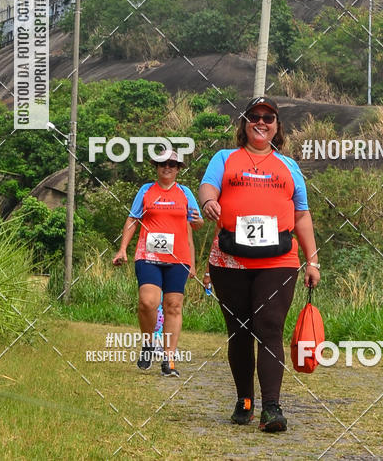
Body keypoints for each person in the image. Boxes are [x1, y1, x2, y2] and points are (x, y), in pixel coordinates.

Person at [199, 96, 320, 433]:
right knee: (239, 333)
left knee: (269, 328)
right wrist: (209, 201)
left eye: (269, 117)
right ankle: (245, 401)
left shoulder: (289, 166)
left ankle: (272, 407)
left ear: (277, 126)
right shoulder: (225, 158)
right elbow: (207, 186)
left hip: (279, 260)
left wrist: (313, 261)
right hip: (230, 259)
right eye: (255, 116)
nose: (262, 122)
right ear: (245, 123)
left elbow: (302, 214)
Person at [113, 149, 203, 376]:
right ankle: (147, 344)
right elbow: (133, 219)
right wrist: (123, 248)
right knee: (147, 302)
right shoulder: (146, 191)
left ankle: (168, 359)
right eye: (163, 163)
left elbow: (196, 223)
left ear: (178, 169)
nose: (168, 167)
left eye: (173, 164)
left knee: (173, 306)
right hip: (148, 256)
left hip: (177, 258)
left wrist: (199, 221)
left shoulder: (185, 192)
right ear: (156, 166)